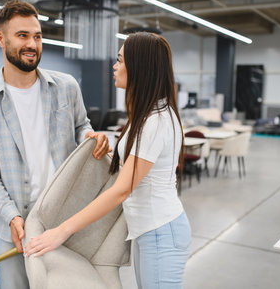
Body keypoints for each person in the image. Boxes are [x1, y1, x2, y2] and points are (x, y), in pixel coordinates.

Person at [25, 32, 192, 289]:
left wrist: (61, 231)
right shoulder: (152, 113)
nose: (115, 66)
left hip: (160, 233)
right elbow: (137, 168)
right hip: (153, 231)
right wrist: (108, 150)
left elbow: (121, 190)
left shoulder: (154, 122)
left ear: (139, 68)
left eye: (120, 60)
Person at [0, 0, 110, 289]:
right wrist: (11, 216)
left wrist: (92, 138)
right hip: (12, 227)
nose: (32, 43)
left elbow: (83, 127)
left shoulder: (66, 87)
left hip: (62, 220)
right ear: (0, 38)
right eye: (22, 36)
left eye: (37, 36)